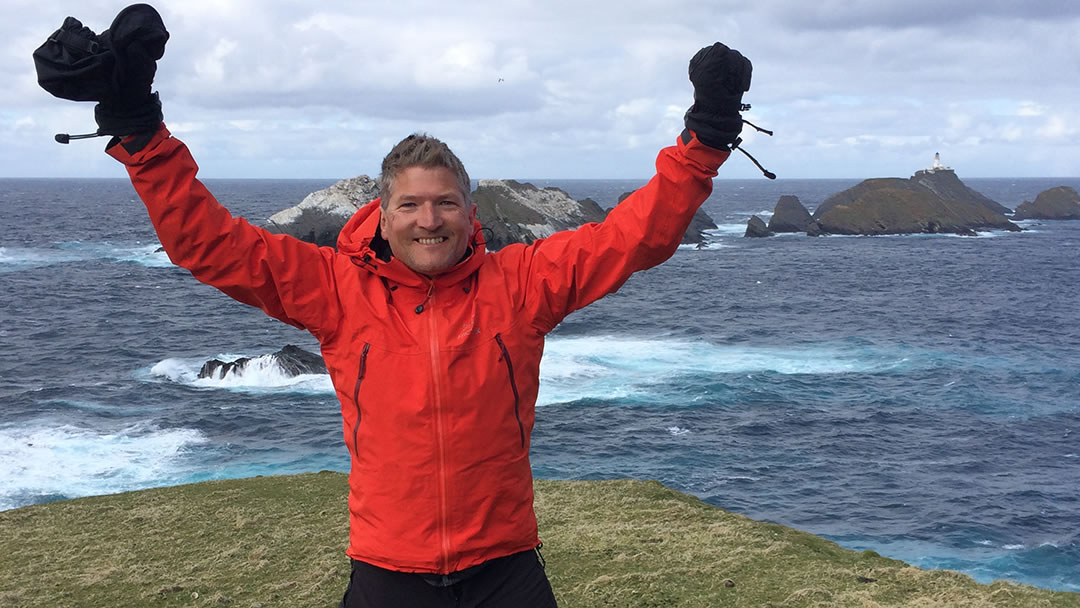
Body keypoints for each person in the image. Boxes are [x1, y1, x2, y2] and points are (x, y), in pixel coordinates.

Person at [35, 5, 757, 607]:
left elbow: (632, 237)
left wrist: (704, 142)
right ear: (381, 214)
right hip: (387, 575)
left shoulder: (523, 284)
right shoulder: (336, 289)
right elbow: (214, 246)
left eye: (445, 203)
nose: (429, 219)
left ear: (470, 211)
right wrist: (140, 133)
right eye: (409, 204)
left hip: (505, 570)